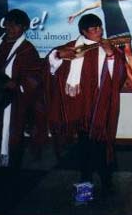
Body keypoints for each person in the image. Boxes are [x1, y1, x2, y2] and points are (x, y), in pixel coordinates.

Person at [46, 14, 127, 199]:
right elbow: (51, 64)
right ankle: (87, 179)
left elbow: (119, 76)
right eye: (93, 28)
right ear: (83, 31)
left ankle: (104, 180)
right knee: (84, 145)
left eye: (100, 27)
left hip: (101, 105)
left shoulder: (108, 46)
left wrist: (110, 54)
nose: (98, 31)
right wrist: (59, 55)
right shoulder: (73, 47)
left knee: (102, 144)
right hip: (80, 106)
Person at [0, 9, 42, 170]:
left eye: (16, 26)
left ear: (24, 28)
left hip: (14, 103)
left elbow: (34, 77)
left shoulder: (27, 49)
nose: (11, 29)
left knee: (13, 137)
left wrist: (17, 84)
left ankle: (12, 174)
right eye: (8, 25)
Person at [68, 0, 132, 89]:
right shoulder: (100, 2)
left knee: (129, 53)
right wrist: (75, 15)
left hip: (122, 26)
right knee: (121, 58)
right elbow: (86, 8)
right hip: (111, 29)